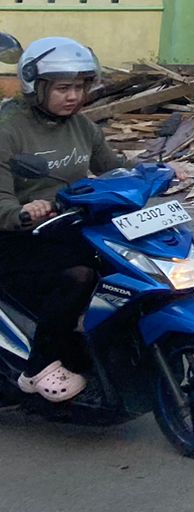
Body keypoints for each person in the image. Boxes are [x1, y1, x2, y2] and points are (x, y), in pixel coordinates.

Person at [0, 36, 125, 403]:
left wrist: (159, 171)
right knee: (79, 275)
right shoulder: (9, 129)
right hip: (16, 235)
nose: (73, 96)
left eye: (79, 87)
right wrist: (21, 211)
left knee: (121, 272)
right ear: (36, 87)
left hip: (66, 226)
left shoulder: (82, 126)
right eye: (63, 88)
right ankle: (38, 366)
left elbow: (114, 169)